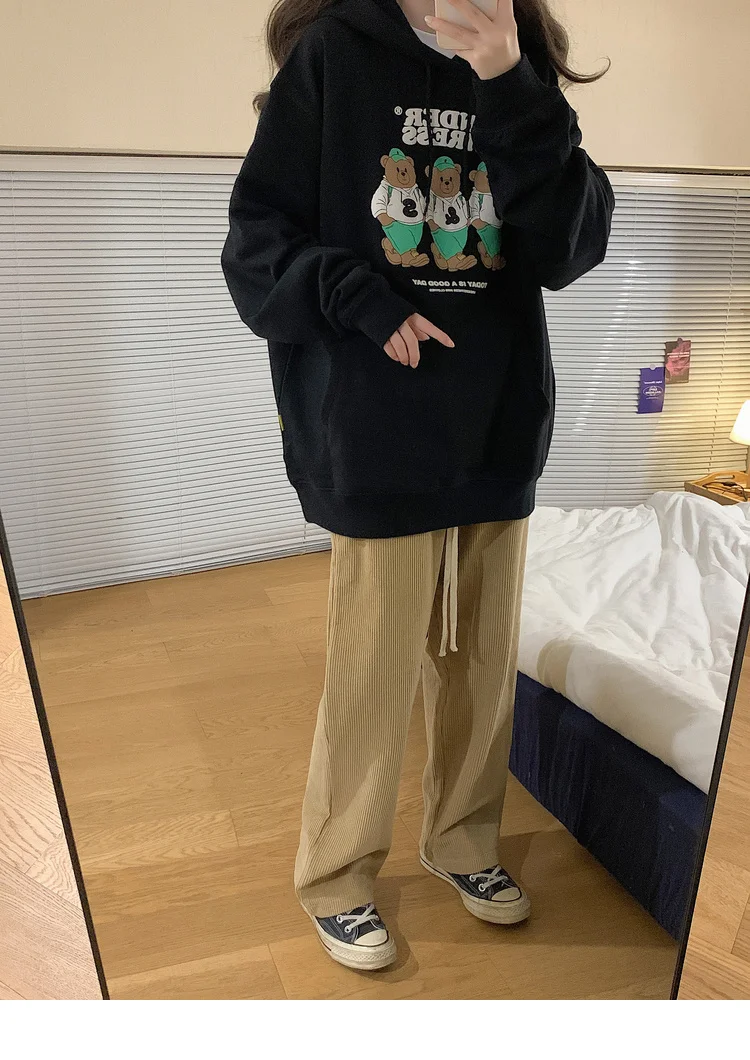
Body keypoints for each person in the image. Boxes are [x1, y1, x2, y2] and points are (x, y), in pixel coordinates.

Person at [222, 0, 614, 971]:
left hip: (497, 422)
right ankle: (337, 875)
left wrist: (513, 82)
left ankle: (463, 844)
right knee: (373, 669)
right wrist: (358, 297)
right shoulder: (335, 55)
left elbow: (570, 246)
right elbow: (254, 242)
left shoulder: (520, 61)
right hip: (374, 424)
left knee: (480, 660)